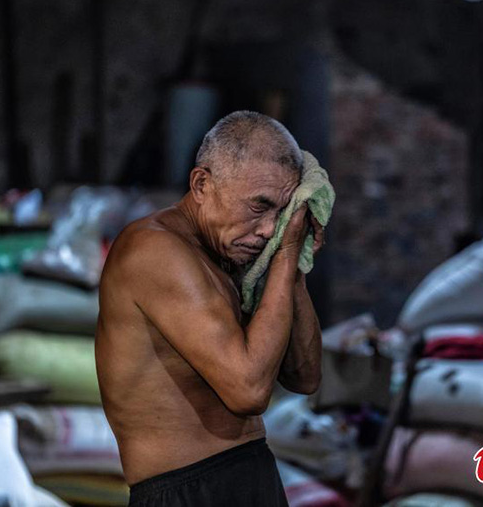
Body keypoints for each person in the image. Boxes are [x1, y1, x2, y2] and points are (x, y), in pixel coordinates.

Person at [95, 110, 324, 506]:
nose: (270, 228)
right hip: (188, 491)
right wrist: (285, 254)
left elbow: (305, 376)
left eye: (281, 214)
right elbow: (248, 391)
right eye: (258, 206)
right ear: (202, 184)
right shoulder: (153, 249)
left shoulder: (230, 258)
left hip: (250, 474)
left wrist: (293, 267)